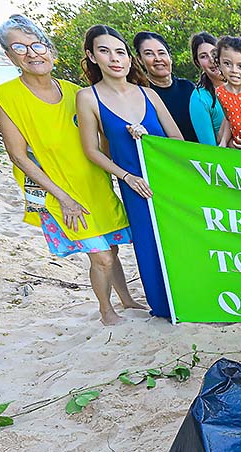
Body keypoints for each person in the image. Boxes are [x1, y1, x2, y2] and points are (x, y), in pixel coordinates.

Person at [0, 15, 140, 326]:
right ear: (8, 55)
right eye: (19, 47)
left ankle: (127, 300)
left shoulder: (76, 92)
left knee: (111, 247)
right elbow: (18, 156)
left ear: (50, 50)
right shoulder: (6, 96)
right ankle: (105, 311)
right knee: (100, 256)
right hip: (59, 191)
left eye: (37, 45)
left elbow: (101, 139)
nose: (31, 53)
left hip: (96, 184)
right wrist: (62, 197)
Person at [76, 24, 183, 320]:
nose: (114, 58)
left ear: (128, 58)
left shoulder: (148, 93)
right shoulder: (88, 97)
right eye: (105, 51)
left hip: (167, 181)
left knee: (179, 240)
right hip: (134, 185)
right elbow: (91, 150)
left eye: (120, 52)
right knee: (148, 245)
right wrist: (127, 177)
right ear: (92, 55)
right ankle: (163, 306)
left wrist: (147, 138)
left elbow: (178, 141)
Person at [132, 30, 214, 144]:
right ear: (140, 60)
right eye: (149, 54)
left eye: (161, 53)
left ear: (170, 57)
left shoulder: (188, 88)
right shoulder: (140, 95)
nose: (158, 58)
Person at [189, 31, 225, 143]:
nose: (211, 60)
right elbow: (209, 148)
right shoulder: (199, 98)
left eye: (214, 53)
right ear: (197, 62)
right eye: (204, 56)